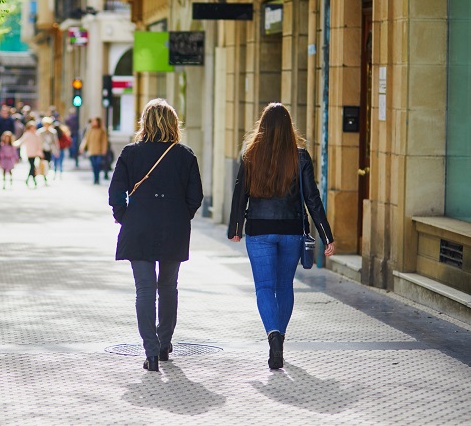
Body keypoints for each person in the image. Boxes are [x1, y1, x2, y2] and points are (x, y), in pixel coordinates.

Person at [227, 102, 335, 370]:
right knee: (284, 286)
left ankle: (273, 336)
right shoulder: (301, 157)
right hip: (291, 231)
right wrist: (325, 234)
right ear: (289, 128)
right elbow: (312, 198)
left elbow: (240, 194)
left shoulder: (250, 155)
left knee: (264, 287)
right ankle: (280, 340)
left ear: (261, 127)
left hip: (259, 230)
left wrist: (235, 229)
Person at [108, 99, 203, 372]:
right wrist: (181, 215)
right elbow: (195, 196)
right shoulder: (185, 155)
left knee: (145, 289)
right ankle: (164, 344)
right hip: (173, 227)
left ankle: (149, 351)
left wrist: (123, 216)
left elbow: (116, 193)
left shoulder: (130, 153)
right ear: (173, 124)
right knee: (168, 287)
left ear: (144, 123)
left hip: (138, 226)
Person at [13, 121, 45, 187]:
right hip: (29, 153)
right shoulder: (27, 134)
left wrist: (40, 152)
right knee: (32, 166)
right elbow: (20, 141)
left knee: (32, 166)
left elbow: (39, 144)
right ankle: (32, 180)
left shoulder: (37, 134)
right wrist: (12, 144)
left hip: (35, 153)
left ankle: (29, 179)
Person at [79, 117, 108, 184]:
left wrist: (104, 149)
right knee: (93, 165)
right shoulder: (90, 130)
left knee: (98, 164)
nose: (93, 123)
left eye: (95, 121)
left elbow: (104, 141)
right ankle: (95, 178)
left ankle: (97, 178)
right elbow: (86, 139)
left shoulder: (102, 131)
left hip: (99, 151)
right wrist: (82, 147)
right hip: (91, 151)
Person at [36, 116, 59, 180]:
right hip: (42, 150)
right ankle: (44, 176)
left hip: (49, 150)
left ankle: (46, 174)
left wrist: (56, 151)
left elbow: (55, 142)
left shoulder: (53, 132)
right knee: (43, 163)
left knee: (48, 163)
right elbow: (38, 142)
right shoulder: (40, 132)